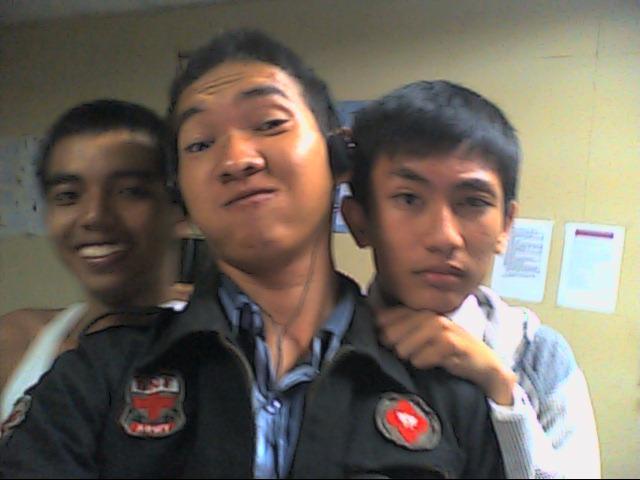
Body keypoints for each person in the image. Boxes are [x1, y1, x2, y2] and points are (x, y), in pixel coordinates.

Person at [0, 30, 505, 478]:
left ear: (338, 157)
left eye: (269, 123)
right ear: (182, 195)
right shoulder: (99, 375)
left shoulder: (445, 389)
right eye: (201, 144)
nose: (237, 159)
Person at [341, 80, 601, 478]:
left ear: (506, 226)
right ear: (360, 221)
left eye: (473, 203)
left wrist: (500, 388)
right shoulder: (328, 344)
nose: (444, 236)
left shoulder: (537, 357)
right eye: (409, 198)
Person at [0, 99, 190, 421]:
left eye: (128, 191)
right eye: (68, 195)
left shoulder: (225, 349)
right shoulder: (16, 340)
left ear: (180, 209)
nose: (94, 216)